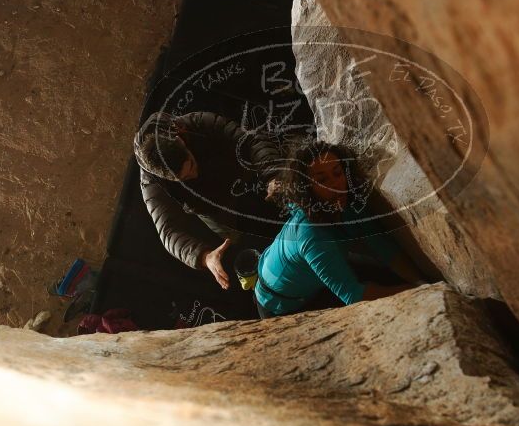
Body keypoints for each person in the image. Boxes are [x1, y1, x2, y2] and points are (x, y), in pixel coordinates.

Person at [254, 142, 423, 318]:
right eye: (322, 180)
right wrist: (419, 291)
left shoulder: (343, 204)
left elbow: (382, 247)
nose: (335, 184)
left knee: (381, 275)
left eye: (337, 173)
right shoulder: (310, 234)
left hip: (301, 276)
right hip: (279, 305)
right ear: (307, 188)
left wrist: (420, 282)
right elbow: (355, 296)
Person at [134, 111, 283, 290]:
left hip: (245, 177)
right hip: (218, 214)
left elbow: (250, 140)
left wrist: (273, 175)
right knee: (256, 248)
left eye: (192, 165)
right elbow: (167, 231)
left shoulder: (194, 124)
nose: (194, 175)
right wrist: (204, 257)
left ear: (181, 141)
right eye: (185, 178)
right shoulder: (151, 182)